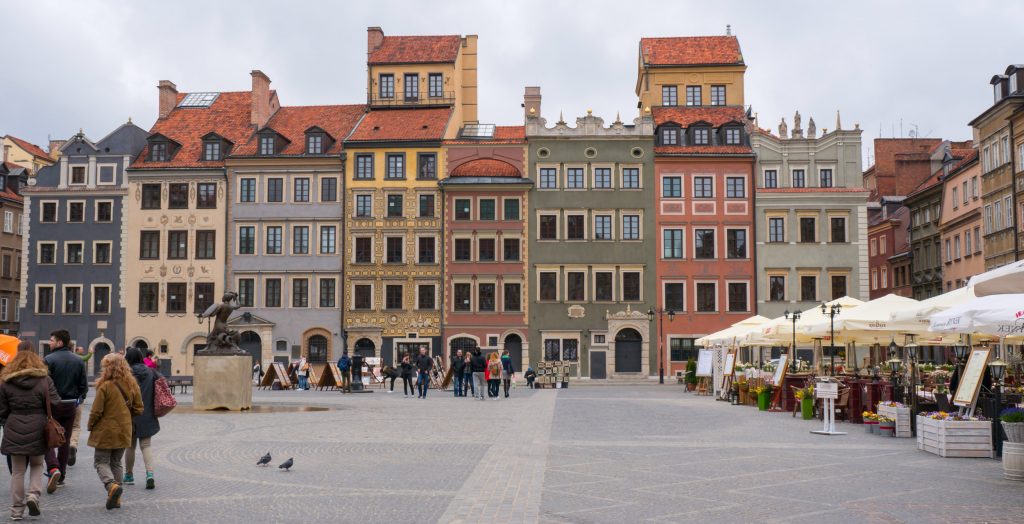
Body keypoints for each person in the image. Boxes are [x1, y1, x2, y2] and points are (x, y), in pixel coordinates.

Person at [0, 349, 61, 520]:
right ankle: (33, 495)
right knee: (37, 464)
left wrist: (11, 416)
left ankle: (16, 511)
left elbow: (2, 410)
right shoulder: (44, 380)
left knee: (18, 471)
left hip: (14, 426)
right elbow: (56, 402)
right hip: (38, 426)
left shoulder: (5, 382)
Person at [88, 354, 143, 510]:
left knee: (100, 461)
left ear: (108, 367)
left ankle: (111, 486)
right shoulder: (133, 385)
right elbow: (139, 408)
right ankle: (116, 498)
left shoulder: (105, 386)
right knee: (117, 462)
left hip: (106, 429)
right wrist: (125, 415)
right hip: (125, 428)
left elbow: (96, 411)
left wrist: (90, 425)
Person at [43, 329, 87, 493]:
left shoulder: (48, 359)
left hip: (52, 405)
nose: (50, 343)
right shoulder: (78, 360)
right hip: (70, 405)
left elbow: (44, 384)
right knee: (65, 440)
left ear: (60, 342)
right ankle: (61, 477)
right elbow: (83, 386)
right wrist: (78, 400)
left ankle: (53, 468)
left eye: (52, 340)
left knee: (47, 437)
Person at [123, 349, 159, 490]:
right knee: (146, 445)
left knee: (130, 446)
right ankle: (150, 474)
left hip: (130, 414)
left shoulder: (126, 374)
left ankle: (129, 475)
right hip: (147, 413)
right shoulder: (151, 372)